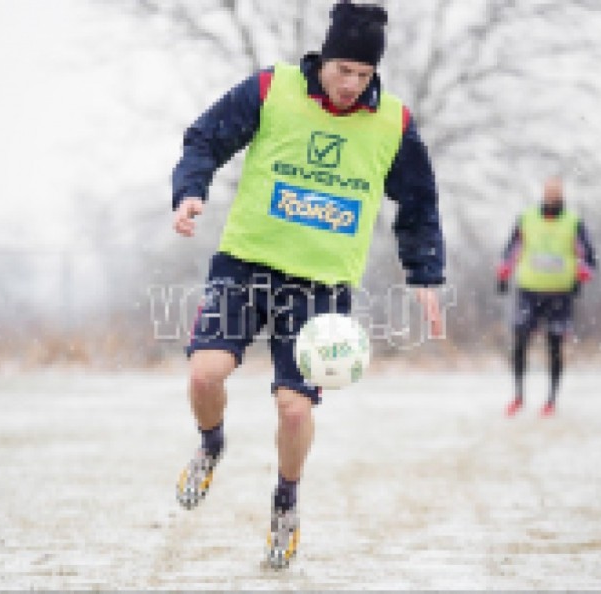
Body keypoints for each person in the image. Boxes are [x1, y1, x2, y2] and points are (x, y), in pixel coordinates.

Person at [171, 1, 446, 568]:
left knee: (295, 410)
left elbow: (418, 201)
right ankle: (212, 442)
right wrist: (191, 189)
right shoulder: (273, 89)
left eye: (364, 75)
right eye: (344, 70)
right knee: (204, 375)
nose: (351, 85)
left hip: (321, 288)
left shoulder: (392, 122)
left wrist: (425, 274)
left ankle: (286, 501)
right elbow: (204, 138)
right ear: (324, 58)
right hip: (245, 264)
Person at [496, 177, 597, 417]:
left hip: (559, 293)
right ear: (543, 192)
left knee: (554, 346)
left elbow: (588, 256)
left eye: (556, 191)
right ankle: (518, 396)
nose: (552, 195)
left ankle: (551, 401)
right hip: (528, 290)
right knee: (520, 343)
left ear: (562, 193)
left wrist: (579, 279)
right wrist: (503, 275)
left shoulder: (574, 222)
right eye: (548, 190)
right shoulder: (527, 218)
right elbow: (512, 248)